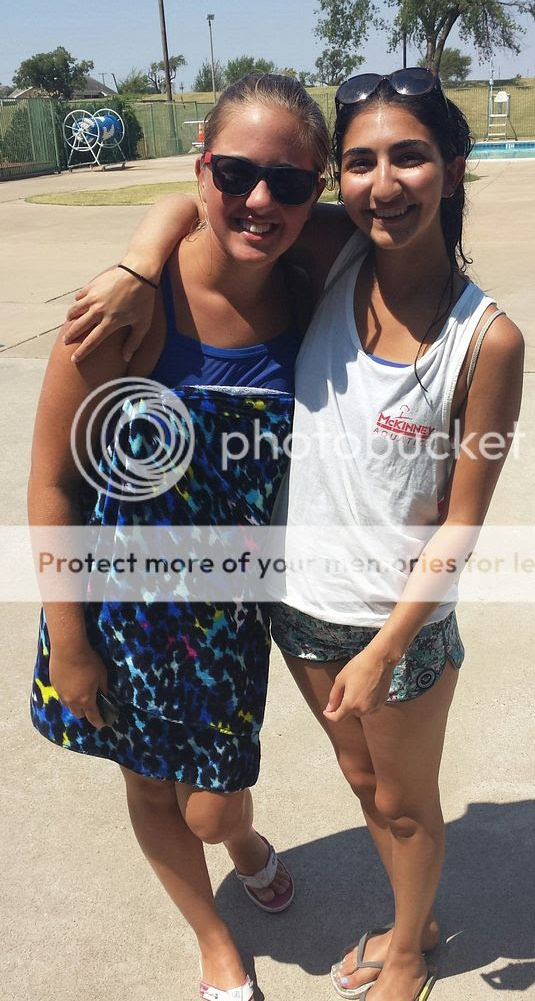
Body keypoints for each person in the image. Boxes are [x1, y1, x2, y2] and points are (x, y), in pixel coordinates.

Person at [63, 68, 524, 1001]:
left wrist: (389, 645)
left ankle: (409, 951)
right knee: (363, 785)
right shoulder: (337, 254)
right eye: (360, 163)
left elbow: (464, 521)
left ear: (454, 168)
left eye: (409, 157)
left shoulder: (485, 339)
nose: (383, 185)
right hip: (295, 609)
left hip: (395, 623)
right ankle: (406, 918)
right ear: (339, 181)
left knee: (404, 803)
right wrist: (138, 260)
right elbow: (207, 196)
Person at [29, 73, 329, 1001]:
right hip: (116, 614)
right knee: (148, 787)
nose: (260, 200)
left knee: (211, 808)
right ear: (202, 165)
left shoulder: (311, 289)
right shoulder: (124, 309)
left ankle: (243, 841)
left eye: (290, 181)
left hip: (228, 622)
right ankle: (215, 945)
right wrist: (69, 640)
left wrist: (150, 232)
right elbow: (52, 483)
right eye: (234, 173)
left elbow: (397, 220)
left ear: (316, 190)